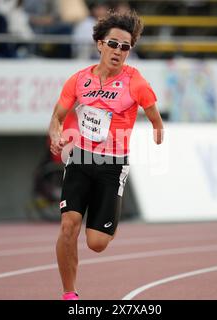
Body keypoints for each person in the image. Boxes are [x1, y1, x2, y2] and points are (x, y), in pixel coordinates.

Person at [49, 9, 164, 300]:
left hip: (113, 165)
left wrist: (157, 131)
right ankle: (69, 293)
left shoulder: (136, 82)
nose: (118, 51)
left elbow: (154, 115)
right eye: (113, 44)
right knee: (68, 226)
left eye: (125, 47)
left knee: (97, 243)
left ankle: (109, 215)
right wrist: (55, 135)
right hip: (81, 159)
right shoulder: (78, 80)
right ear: (100, 44)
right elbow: (58, 117)